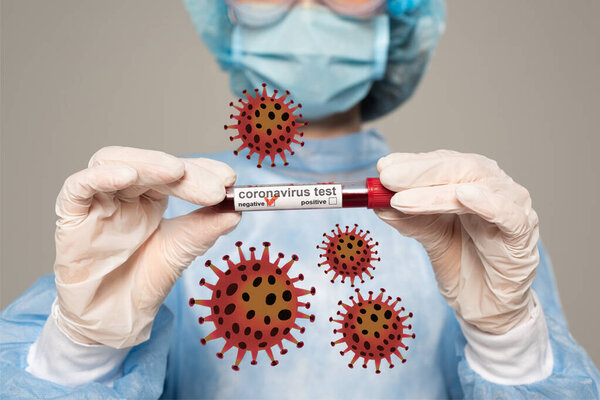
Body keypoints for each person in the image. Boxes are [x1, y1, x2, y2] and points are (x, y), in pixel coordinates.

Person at [1, 0, 599, 398]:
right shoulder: (148, 214)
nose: (307, 4)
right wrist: (79, 351)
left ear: (397, 14)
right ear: (227, 13)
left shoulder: (469, 221)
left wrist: (508, 344)